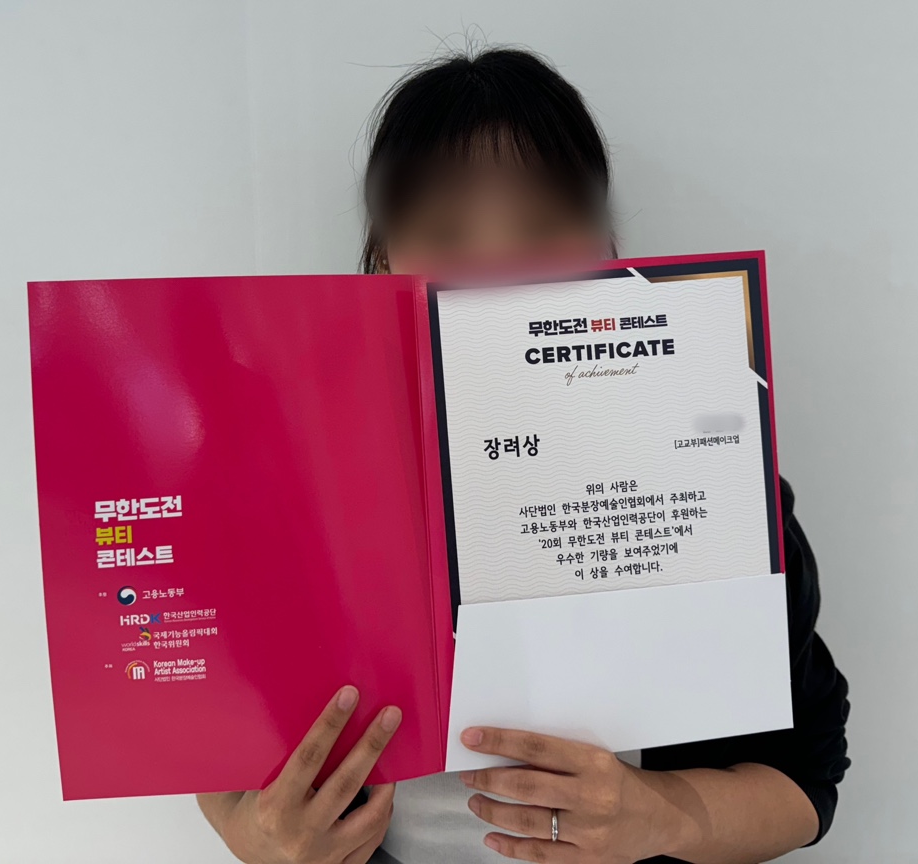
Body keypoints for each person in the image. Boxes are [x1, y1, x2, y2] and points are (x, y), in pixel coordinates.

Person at [196, 47, 850, 864]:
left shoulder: (713, 474)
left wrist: (666, 816)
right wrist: (259, 840)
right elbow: (207, 727)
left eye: (542, 226)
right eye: (445, 233)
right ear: (384, 261)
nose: (498, 267)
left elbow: (807, 779)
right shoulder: (288, 478)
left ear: (608, 246)